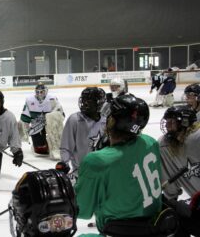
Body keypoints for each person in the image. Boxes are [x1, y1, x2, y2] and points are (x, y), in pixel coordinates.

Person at [75, 94, 168, 235]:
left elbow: (81, 210)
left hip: (118, 231)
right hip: (156, 227)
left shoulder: (97, 161)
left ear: (112, 121)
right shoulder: (150, 142)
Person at [159, 105, 200, 236]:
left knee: (171, 213)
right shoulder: (165, 145)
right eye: (167, 122)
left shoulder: (196, 139)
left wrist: (171, 199)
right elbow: (170, 189)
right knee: (172, 210)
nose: (167, 126)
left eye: (172, 122)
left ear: (184, 122)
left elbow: (171, 192)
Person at [60, 87, 106, 173]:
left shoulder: (106, 121)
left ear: (99, 103)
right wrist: (64, 163)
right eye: (84, 100)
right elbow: (66, 146)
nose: (85, 103)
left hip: (104, 171)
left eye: (89, 101)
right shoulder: (74, 119)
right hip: (81, 172)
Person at [19, 82, 64, 159]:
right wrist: (23, 131)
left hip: (51, 124)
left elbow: (61, 115)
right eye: (37, 92)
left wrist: (49, 117)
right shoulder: (30, 101)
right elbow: (25, 118)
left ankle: (56, 147)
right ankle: (42, 144)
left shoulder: (52, 99)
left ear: (46, 91)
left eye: (42, 92)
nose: (39, 94)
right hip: (38, 125)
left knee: (53, 120)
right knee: (41, 150)